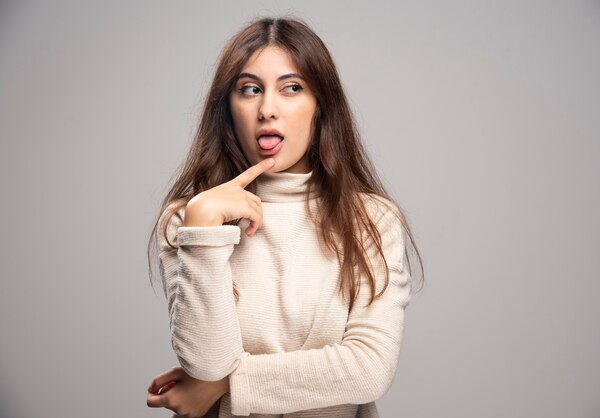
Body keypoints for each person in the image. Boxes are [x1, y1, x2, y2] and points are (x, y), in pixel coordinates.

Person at [145, 16, 424, 418]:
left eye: (291, 88)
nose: (267, 109)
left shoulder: (371, 220)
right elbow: (206, 363)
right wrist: (203, 228)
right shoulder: (189, 220)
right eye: (250, 89)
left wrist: (226, 385)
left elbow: (368, 369)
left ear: (320, 107)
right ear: (228, 109)